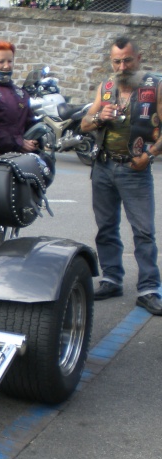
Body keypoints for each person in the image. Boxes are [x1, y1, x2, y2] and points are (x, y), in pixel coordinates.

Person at [80, 36, 162, 315]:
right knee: (106, 228)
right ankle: (112, 279)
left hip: (134, 169)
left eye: (127, 59)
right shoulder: (106, 88)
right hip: (103, 166)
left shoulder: (155, 86)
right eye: (117, 61)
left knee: (143, 231)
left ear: (138, 59)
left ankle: (149, 289)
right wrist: (99, 117)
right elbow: (84, 123)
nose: (122, 65)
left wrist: (149, 156)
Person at [0, 41, 38, 155]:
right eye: (1, 62)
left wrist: (35, 139)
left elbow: (29, 122)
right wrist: (17, 143)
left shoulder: (21, 94)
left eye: (10, 61)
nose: (7, 66)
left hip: (19, 157)